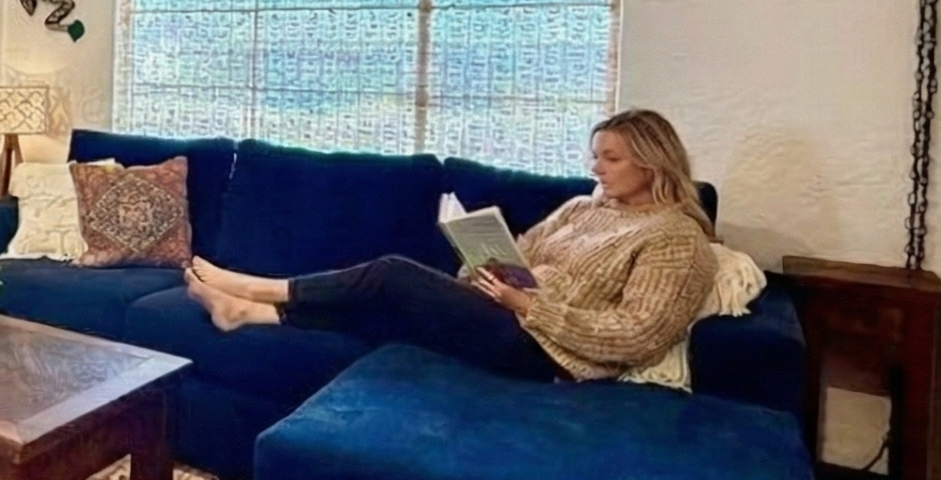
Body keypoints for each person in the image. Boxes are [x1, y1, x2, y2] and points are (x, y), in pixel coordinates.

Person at [184, 109, 715, 383]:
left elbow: (635, 335)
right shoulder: (586, 207)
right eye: (596, 155)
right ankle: (245, 313)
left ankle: (254, 287)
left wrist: (527, 304)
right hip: (508, 310)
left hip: (551, 353)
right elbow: (524, 251)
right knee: (387, 307)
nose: (595, 168)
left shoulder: (674, 237)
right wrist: (490, 266)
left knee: (392, 275)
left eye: (611, 158)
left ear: (653, 160)